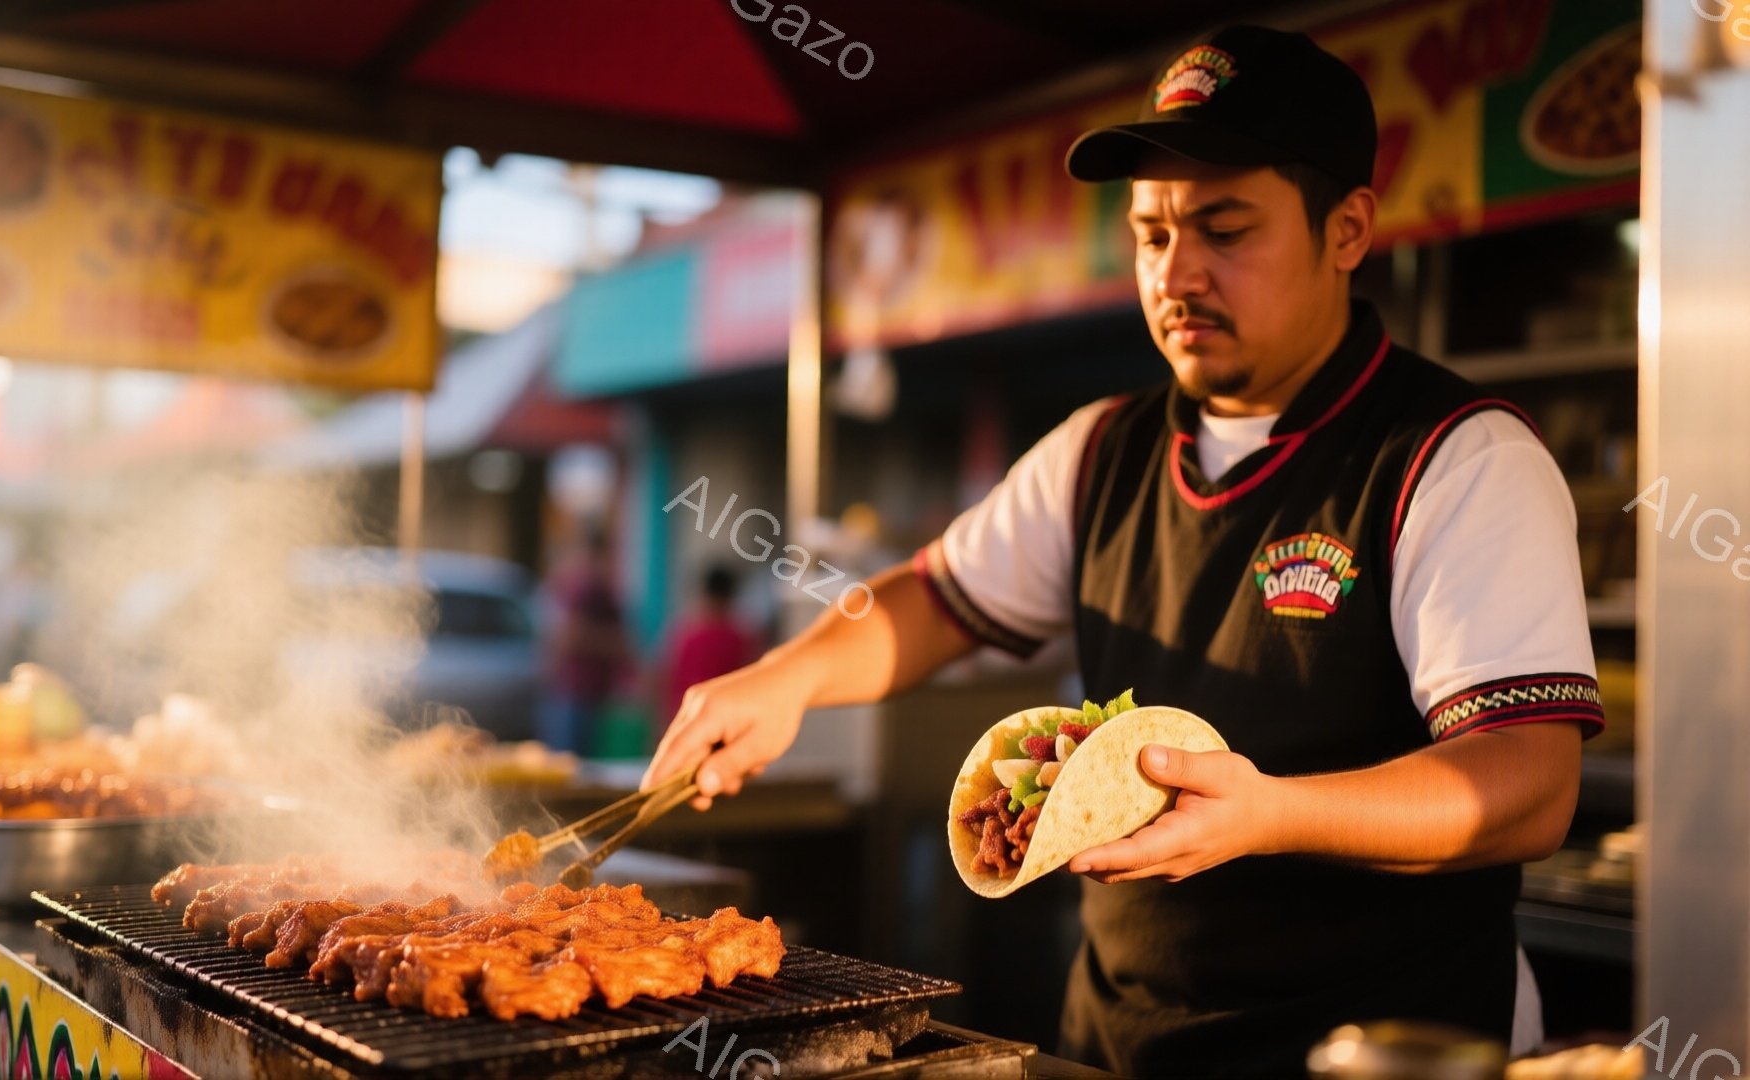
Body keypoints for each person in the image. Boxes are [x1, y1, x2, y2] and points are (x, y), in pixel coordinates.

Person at [644, 25, 1600, 1078]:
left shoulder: (1457, 459)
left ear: (1348, 229)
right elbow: (936, 598)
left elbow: (1527, 784)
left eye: (1225, 229)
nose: (1178, 273)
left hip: (1390, 1051)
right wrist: (787, 681)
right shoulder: (1101, 448)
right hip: (1121, 1046)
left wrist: (1272, 814)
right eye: (1152, 235)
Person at [539, 526, 628, 755]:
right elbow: (568, 637)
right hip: (577, 690)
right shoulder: (585, 586)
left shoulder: (594, 587)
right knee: (571, 764)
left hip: (590, 691)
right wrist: (614, 643)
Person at [658, 565, 758, 737]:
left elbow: (662, 676)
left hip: (686, 721)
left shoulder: (685, 632)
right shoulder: (742, 636)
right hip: (726, 724)